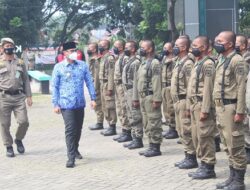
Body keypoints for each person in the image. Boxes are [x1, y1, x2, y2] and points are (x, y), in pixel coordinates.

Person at [51, 41, 96, 168]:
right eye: (71, 50)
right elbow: (54, 86)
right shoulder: (59, 67)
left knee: (78, 129)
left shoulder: (82, 66)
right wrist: (55, 104)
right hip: (66, 104)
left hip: (79, 103)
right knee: (70, 129)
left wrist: (93, 98)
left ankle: (75, 148)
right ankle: (71, 157)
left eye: (75, 50)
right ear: (65, 53)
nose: (74, 53)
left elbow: (89, 82)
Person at [213, 31, 247, 190]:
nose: (216, 43)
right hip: (221, 107)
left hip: (231, 107)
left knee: (236, 144)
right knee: (227, 144)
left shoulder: (237, 60)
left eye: (220, 41)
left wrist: (240, 111)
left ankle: (239, 182)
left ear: (230, 44)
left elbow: (242, 87)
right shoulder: (222, 59)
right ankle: (232, 177)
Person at [187, 36, 216, 179]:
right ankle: (202, 165)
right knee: (197, 136)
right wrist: (188, 106)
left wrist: (205, 109)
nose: (192, 48)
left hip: (202, 105)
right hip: (194, 104)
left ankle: (209, 167)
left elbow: (208, 89)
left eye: (195, 45)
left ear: (204, 47)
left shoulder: (208, 64)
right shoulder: (198, 63)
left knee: (205, 136)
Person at [0, 37, 32, 157]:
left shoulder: (20, 62)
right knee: (4, 124)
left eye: (10, 45)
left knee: (24, 122)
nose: (8, 48)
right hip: (3, 97)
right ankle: (8, 146)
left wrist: (29, 96)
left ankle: (18, 139)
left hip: (19, 97)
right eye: (6, 46)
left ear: (14, 47)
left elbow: (26, 80)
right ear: (2, 48)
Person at [171, 37, 197, 169]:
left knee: (186, 129)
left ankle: (192, 157)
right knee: (181, 130)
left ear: (183, 47)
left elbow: (189, 87)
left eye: (176, 45)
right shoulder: (179, 62)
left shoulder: (188, 64)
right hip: (177, 101)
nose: (173, 47)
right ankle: (187, 155)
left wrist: (188, 106)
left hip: (183, 101)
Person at [134, 40, 163, 157]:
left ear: (150, 49)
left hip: (150, 96)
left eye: (143, 47)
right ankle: (151, 145)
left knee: (154, 121)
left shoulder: (155, 63)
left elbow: (156, 81)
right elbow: (137, 81)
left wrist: (157, 99)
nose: (141, 49)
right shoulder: (143, 63)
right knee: (146, 122)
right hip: (143, 97)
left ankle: (156, 146)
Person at [122, 40, 144, 149]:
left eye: (128, 47)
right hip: (127, 91)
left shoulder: (136, 62)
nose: (125, 49)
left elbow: (136, 81)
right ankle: (134, 137)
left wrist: (135, 97)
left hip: (132, 90)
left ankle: (138, 139)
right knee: (130, 114)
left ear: (133, 49)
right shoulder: (129, 60)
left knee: (135, 115)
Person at [112, 40, 131, 143]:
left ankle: (128, 131)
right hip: (117, 85)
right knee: (120, 108)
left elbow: (127, 73)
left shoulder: (125, 58)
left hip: (122, 86)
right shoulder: (118, 58)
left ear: (121, 47)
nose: (114, 48)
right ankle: (124, 130)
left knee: (124, 108)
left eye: (116, 46)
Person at [98, 39, 117, 136]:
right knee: (105, 105)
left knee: (110, 106)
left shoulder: (109, 58)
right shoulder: (103, 57)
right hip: (102, 84)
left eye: (101, 45)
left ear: (106, 46)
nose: (99, 46)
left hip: (107, 84)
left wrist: (110, 88)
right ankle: (109, 125)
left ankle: (112, 126)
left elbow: (111, 74)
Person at [236, 34, 250, 165]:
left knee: (246, 126)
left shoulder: (246, 60)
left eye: (237, 43)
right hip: (244, 97)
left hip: (246, 97)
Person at [160, 42, 178, 139]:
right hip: (163, 86)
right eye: (164, 47)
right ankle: (170, 127)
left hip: (170, 86)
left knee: (171, 108)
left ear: (171, 49)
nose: (164, 49)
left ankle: (174, 128)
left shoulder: (175, 60)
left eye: (166, 48)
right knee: (166, 109)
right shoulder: (163, 59)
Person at [87, 42, 104, 130]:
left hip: (96, 84)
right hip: (93, 84)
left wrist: (95, 86)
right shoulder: (91, 59)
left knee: (98, 103)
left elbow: (96, 75)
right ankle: (99, 121)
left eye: (90, 48)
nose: (88, 49)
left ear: (94, 49)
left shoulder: (97, 60)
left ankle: (99, 122)